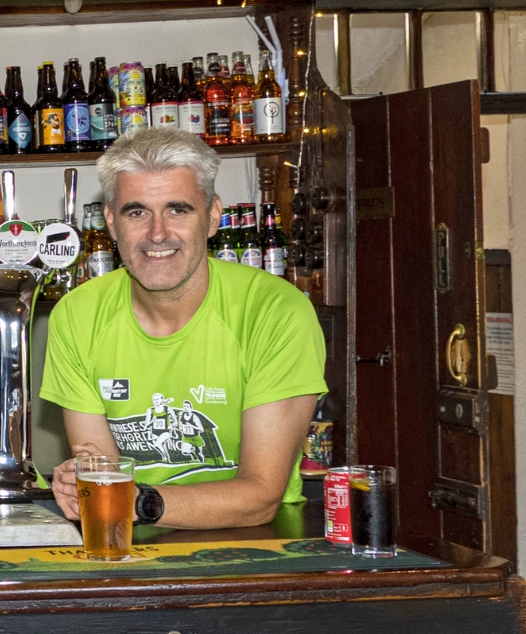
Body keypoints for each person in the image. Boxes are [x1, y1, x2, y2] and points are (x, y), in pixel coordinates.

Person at [41, 128, 326, 530]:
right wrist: (81, 488)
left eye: (178, 209)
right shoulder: (77, 315)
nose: (157, 233)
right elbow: (101, 475)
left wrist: (140, 503)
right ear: (110, 221)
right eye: (136, 212)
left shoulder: (275, 311)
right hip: (130, 542)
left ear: (212, 216)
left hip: (257, 545)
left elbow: (260, 496)